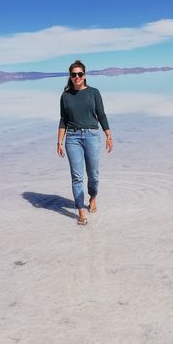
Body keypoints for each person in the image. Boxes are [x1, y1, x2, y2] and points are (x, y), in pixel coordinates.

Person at [57, 60, 113, 226]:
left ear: (85, 75)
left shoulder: (94, 93)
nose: (77, 77)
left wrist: (108, 135)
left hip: (92, 135)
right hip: (72, 138)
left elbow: (101, 115)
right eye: (74, 74)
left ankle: (93, 197)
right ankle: (81, 210)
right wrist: (59, 141)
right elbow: (63, 120)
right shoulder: (65, 96)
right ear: (70, 76)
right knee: (77, 176)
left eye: (80, 74)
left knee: (93, 175)